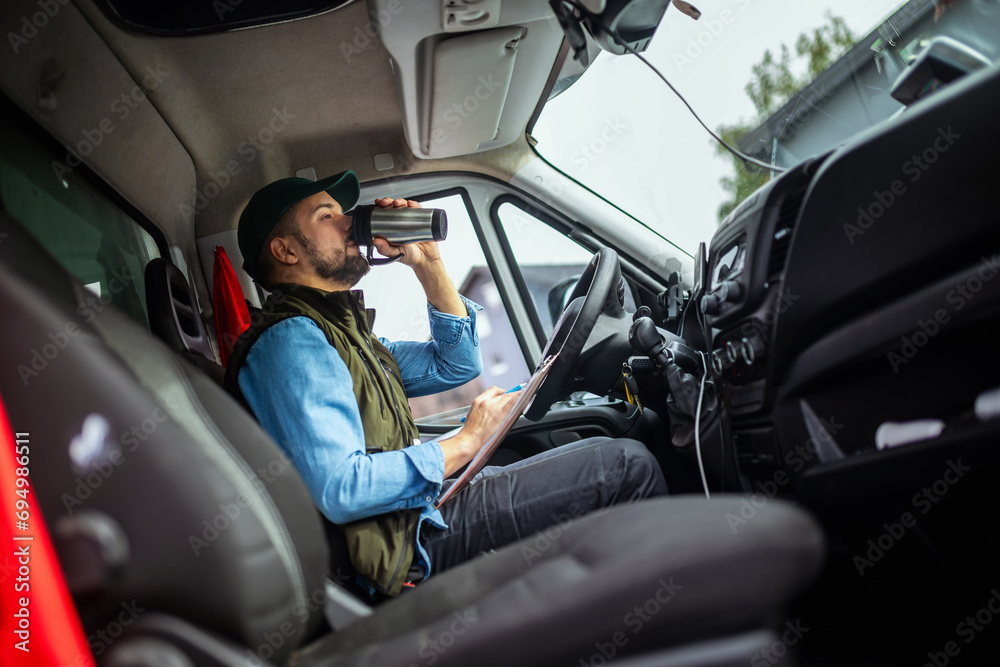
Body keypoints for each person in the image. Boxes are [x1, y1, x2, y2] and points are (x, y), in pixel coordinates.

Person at [224, 170, 667, 597]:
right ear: (285, 251)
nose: (349, 222)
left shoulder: (345, 335)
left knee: (613, 460)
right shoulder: (292, 340)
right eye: (326, 215)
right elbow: (343, 488)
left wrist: (428, 262)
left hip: (422, 510)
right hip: (406, 544)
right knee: (627, 466)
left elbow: (456, 366)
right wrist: (466, 442)